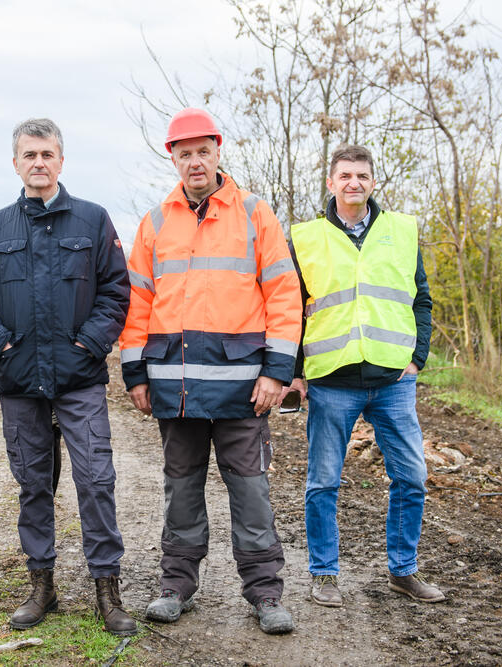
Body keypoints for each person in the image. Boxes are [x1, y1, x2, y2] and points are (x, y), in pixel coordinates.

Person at [118, 108, 302, 635]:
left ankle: (266, 594)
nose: (194, 161)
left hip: (245, 389)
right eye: (184, 153)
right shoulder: (154, 222)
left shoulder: (255, 214)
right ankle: (175, 586)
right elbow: (137, 301)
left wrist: (276, 371)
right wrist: (136, 373)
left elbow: (285, 297)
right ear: (172, 158)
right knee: (181, 490)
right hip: (175, 391)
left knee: (250, 492)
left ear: (218, 151)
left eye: (203, 151)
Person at [0, 118, 136, 636]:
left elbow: (116, 292)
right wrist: (2, 348)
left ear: (62, 160)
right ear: (15, 163)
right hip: (19, 381)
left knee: (95, 480)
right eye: (29, 154)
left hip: (79, 378)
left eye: (47, 154)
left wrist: (89, 344)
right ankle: (43, 586)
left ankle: (108, 588)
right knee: (33, 485)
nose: (39, 162)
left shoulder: (93, 220)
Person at [283, 144, 443, 608]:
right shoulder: (306, 237)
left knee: (412, 477)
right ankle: (325, 575)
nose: (354, 183)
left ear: (373, 182)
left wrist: (417, 359)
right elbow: (291, 309)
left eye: (362, 175)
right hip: (331, 381)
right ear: (330, 183)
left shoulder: (401, 231)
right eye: (345, 176)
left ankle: (403, 570)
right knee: (324, 482)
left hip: (393, 381)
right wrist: (294, 373)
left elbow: (421, 299)